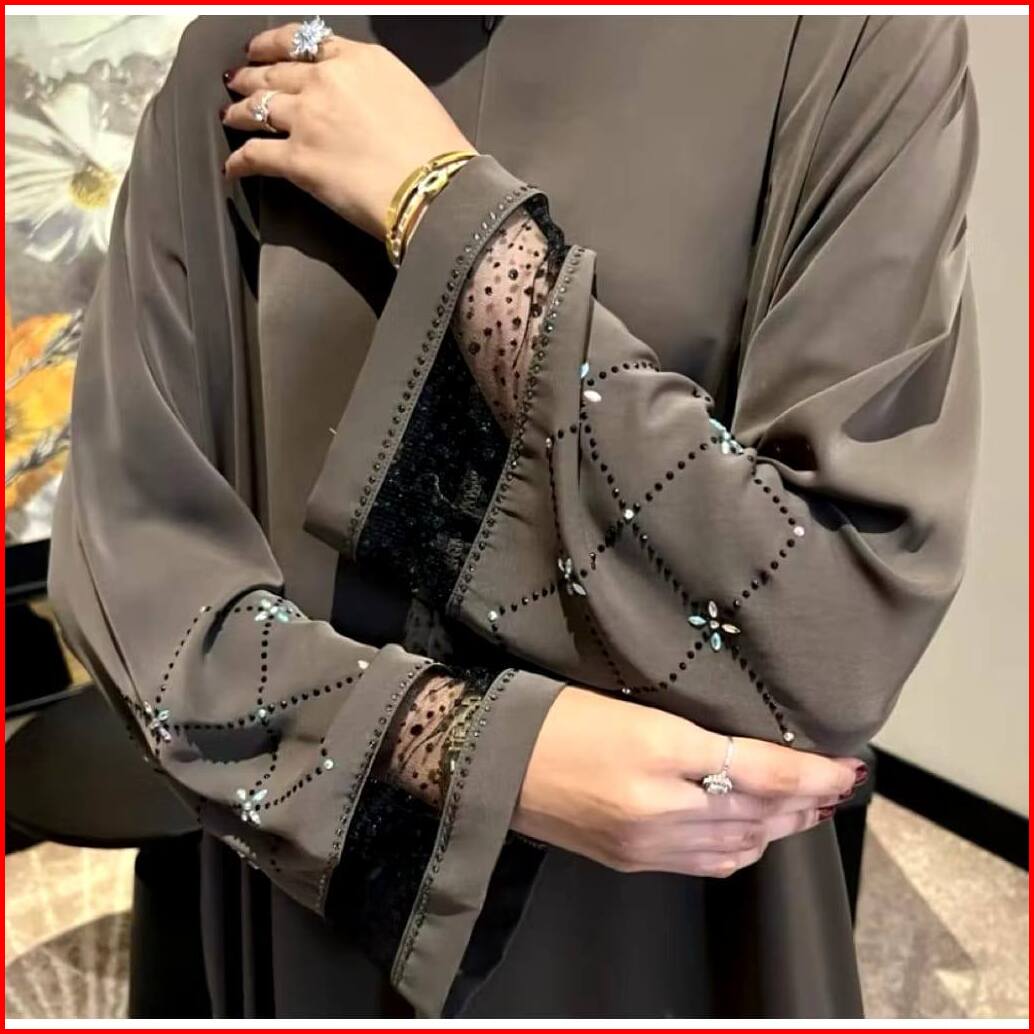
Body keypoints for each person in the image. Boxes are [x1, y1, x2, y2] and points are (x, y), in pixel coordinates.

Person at [48, 13, 979, 1019]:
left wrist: (445, 211)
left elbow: (831, 635)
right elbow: (136, 581)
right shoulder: (254, 58)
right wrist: (492, 759)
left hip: (676, 910)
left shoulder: (849, 40)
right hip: (310, 879)